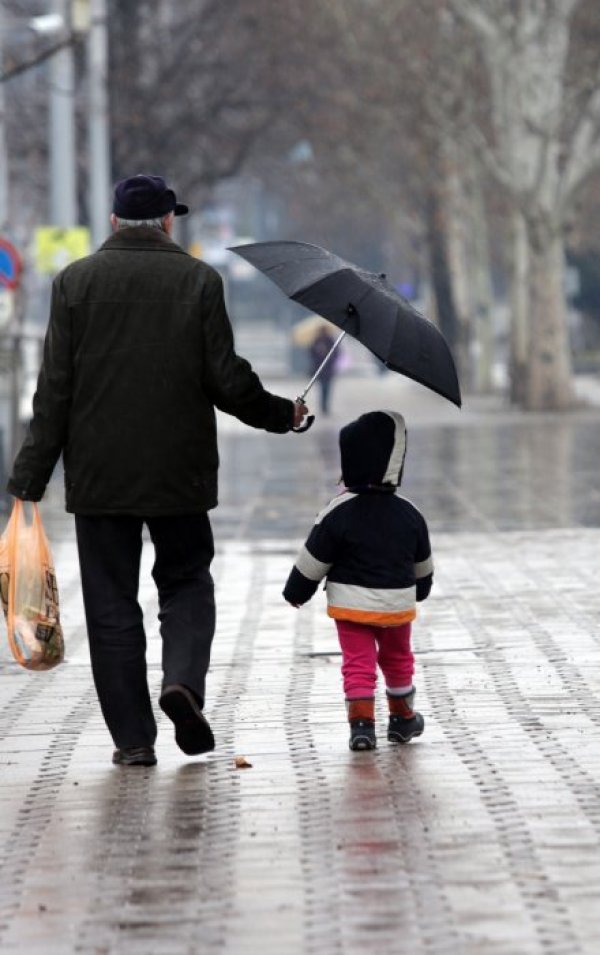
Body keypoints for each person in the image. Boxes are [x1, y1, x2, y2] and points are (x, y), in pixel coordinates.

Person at [7, 173, 308, 767]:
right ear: (169, 222)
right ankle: (182, 684)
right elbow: (227, 380)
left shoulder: (74, 283)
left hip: (100, 478)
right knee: (187, 581)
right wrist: (283, 414)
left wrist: (28, 480)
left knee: (112, 603)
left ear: (115, 222)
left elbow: (55, 392)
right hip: (180, 472)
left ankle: (133, 740)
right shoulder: (198, 280)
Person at [283, 410, 432, 751]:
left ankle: (362, 727)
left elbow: (314, 558)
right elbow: (422, 563)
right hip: (396, 605)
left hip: (351, 607)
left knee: (358, 663)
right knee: (398, 658)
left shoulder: (337, 511)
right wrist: (420, 590)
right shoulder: (410, 513)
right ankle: (402, 718)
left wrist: (297, 592)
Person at [308, 326, 337, 415]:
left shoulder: (330, 340)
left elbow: (336, 353)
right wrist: (318, 353)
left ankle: (325, 406)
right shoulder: (316, 340)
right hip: (319, 368)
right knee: (322, 387)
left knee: (327, 387)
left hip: (328, 368)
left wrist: (328, 355)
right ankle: (322, 406)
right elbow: (311, 352)